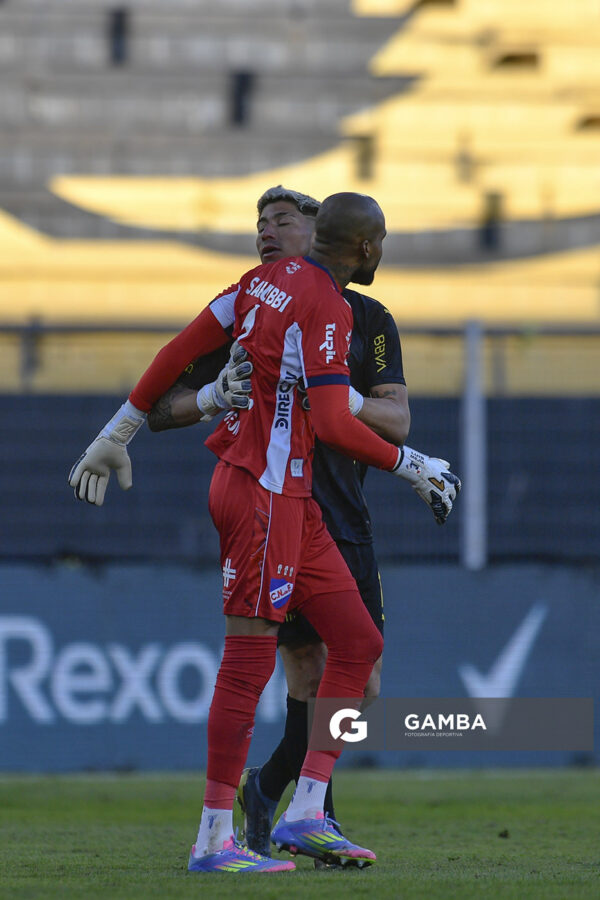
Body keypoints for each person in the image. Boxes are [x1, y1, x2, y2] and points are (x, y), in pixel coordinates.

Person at [69, 192, 460, 875]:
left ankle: (308, 808)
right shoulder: (329, 307)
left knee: (360, 645)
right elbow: (338, 422)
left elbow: (178, 348)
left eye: (280, 222)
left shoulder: (258, 286)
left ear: (316, 234)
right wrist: (413, 467)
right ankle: (214, 838)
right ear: (366, 249)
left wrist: (117, 430)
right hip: (263, 492)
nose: (267, 233)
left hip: (294, 497)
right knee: (250, 666)